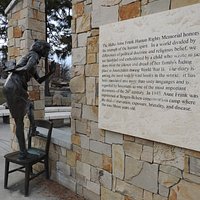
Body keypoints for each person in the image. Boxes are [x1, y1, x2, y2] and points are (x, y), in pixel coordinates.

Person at [3, 40, 56, 160]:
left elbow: (39, 80)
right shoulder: (34, 55)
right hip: (14, 87)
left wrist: (51, 73)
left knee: (30, 106)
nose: (48, 52)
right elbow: (26, 68)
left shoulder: (33, 59)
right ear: (41, 48)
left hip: (15, 87)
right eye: (47, 50)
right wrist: (12, 70)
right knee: (19, 122)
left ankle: (33, 130)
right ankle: (23, 152)